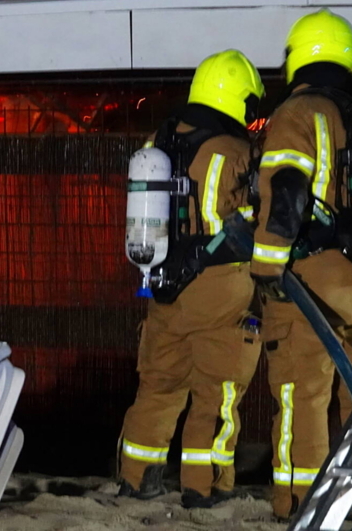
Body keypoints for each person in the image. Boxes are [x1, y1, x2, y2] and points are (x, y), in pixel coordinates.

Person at [249, 10, 352, 525]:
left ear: (297, 57)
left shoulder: (298, 113)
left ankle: (302, 505)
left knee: (302, 395)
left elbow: (287, 188)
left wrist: (267, 262)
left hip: (307, 280)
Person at [118, 49, 266, 509]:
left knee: (158, 387)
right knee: (217, 394)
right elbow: (260, 214)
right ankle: (205, 489)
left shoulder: (157, 141)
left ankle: (136, 479)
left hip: (162, 284)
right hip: (219, 285)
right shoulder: (237, 151)